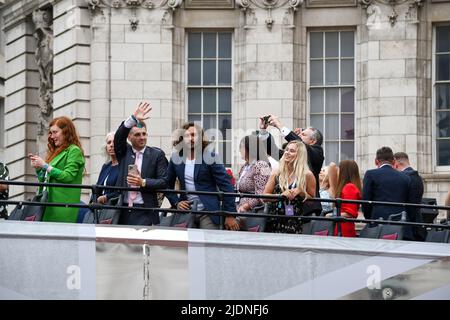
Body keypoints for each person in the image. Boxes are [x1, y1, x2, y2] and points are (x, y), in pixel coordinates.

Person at [165, 122, 239, 230]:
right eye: (186, 136)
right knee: (184, 245)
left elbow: (226, 186)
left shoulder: (211, 157)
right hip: (186, 210)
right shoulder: (176, 159)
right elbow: (167, 185)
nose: (190, 138)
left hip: (208, 211)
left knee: (208, 244)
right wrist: (176, 203)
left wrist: (230, 214)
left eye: (194, 135)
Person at [114, 102, 168, 226]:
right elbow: (118, 137)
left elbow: (163, 181)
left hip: (145, 210)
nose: (142, 137)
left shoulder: (156, 154)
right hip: (123, 210)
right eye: (137, 134)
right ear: (129, 137)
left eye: (144, 134)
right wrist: (132, 118)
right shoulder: (123, 152)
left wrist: (142, 182)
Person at [29, 116, 85, 223]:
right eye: (50, 133)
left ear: (66, 132)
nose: (52, 136)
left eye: (55, 132)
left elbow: (68, 176)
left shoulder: (74, 151)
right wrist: (39, 169)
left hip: (62, 207)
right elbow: (46, 178)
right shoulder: (56, 152)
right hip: (48, 205)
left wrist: (45, 165)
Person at [258, 115, 324, 199]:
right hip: (282, 209)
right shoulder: (288, 156)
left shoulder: (317, 152)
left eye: (303, 134)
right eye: (287, 150)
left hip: (306, 209)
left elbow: (301, 144)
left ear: (313, 141)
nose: (299, 136)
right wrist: (263, 131)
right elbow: (272, 151)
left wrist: (279, 125)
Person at [263, 140, 316, 234]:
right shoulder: (277, 172)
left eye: (292, 151)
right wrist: (281, 196)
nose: (287, 152)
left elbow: (312, 200)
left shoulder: (307, 175)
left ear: (300, 155)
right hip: (274, 219)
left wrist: (301, 192)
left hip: (294, 221)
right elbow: (264, 197)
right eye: (286, 150)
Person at [362, 146, 414, 240]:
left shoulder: (370, 174)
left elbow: (366, 201)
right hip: (401, 224)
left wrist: (370, 219)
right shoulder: (405, 178)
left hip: (378, 223)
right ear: (393, 161)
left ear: (376, 161)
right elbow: (409, 203)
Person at [393, 152, 426, 241]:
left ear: (396, 163)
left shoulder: (404, 177)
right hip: (417, 223)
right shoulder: (418, 177)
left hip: (408, 227)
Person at [236, 135, 271, 215]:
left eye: (241, 147)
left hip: (253, 212)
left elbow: (261, 192)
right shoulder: (245, 166)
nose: (239, 150)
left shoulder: (262, 165)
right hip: (241, 209)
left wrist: (247, 206)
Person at [332, 160, 362, 237]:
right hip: (342, 227)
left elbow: (350, 213)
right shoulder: (348, 186)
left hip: (343, 229)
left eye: (339, 169)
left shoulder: (349, 187)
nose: (337, 172)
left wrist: (331, 215)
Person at [90, 132, 119, 204]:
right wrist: (93, 201)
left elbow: (122, 192)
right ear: (106, 147)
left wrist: (106, 197)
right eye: (109, 143)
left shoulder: (123, 166)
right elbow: (97, 187)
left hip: (113, 206)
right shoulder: (106, 166)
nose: (111, 145)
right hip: (100, 207)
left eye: (114, 142)